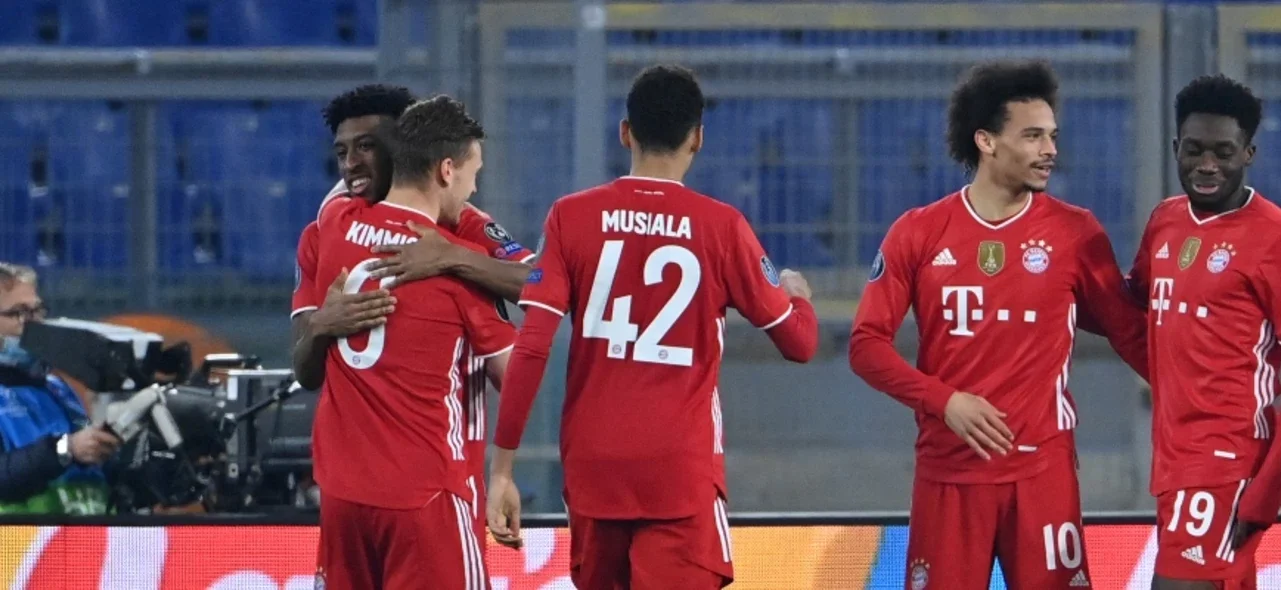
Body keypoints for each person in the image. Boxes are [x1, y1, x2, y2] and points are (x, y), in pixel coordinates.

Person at [486, 64, 820, 590]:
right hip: (678, 473)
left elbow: (532, 346)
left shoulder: (570, 217)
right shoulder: (721, 227)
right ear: (698, 139)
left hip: (594, 472)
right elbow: (799, 344)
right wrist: (798, 298)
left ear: (625, 132)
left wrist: (502, 470)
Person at [848, 60, 1148, 590]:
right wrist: (945, 401)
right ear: (985, 141)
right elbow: (866, 347)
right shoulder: (917, 233)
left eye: (1052, 136)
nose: (1050, 150)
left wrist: (1218, 400)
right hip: (948, 476)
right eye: (1032, 136)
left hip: (1043, 475)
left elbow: (1131, 333)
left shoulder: (1076, 234)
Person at [290, 84, 534, 556]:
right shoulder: (323, 233)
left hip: (405, 485)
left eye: (366, 147)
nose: (350, 166)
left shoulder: (460, 224)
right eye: (341, 152)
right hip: (418, 490)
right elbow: (304, 370)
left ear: (403, 147)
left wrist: (453, 256)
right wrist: (321, 324)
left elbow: (534, 277)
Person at [1127, 74, 1279, 590]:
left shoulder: (1272, 237)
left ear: (1249, 153)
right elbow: (1133, 306)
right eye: (1194, 151)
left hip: (1227, 459)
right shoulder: (1165, 222)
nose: (1207, 165)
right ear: (1176, 148)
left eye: (1223, 151)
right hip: (1173, 455)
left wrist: (1264, 496)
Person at [0, 263, 120, 515]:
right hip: (19, 550)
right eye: (20, 313)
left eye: (38, 311)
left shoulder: (59, 390)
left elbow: (102, 470)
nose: (35, 324)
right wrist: (66, 450)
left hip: (92, 545)